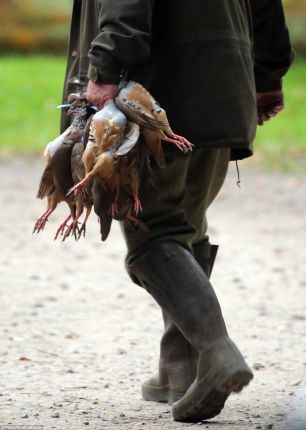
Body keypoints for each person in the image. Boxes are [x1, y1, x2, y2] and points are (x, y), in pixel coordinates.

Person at [62, 0, 294, 422]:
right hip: (226, 89)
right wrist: (268, 75)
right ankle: (178, 370)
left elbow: (126, 9)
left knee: (153, 232)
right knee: (184, 224)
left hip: (156, 98)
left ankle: (217, 353)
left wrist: (104, 73)